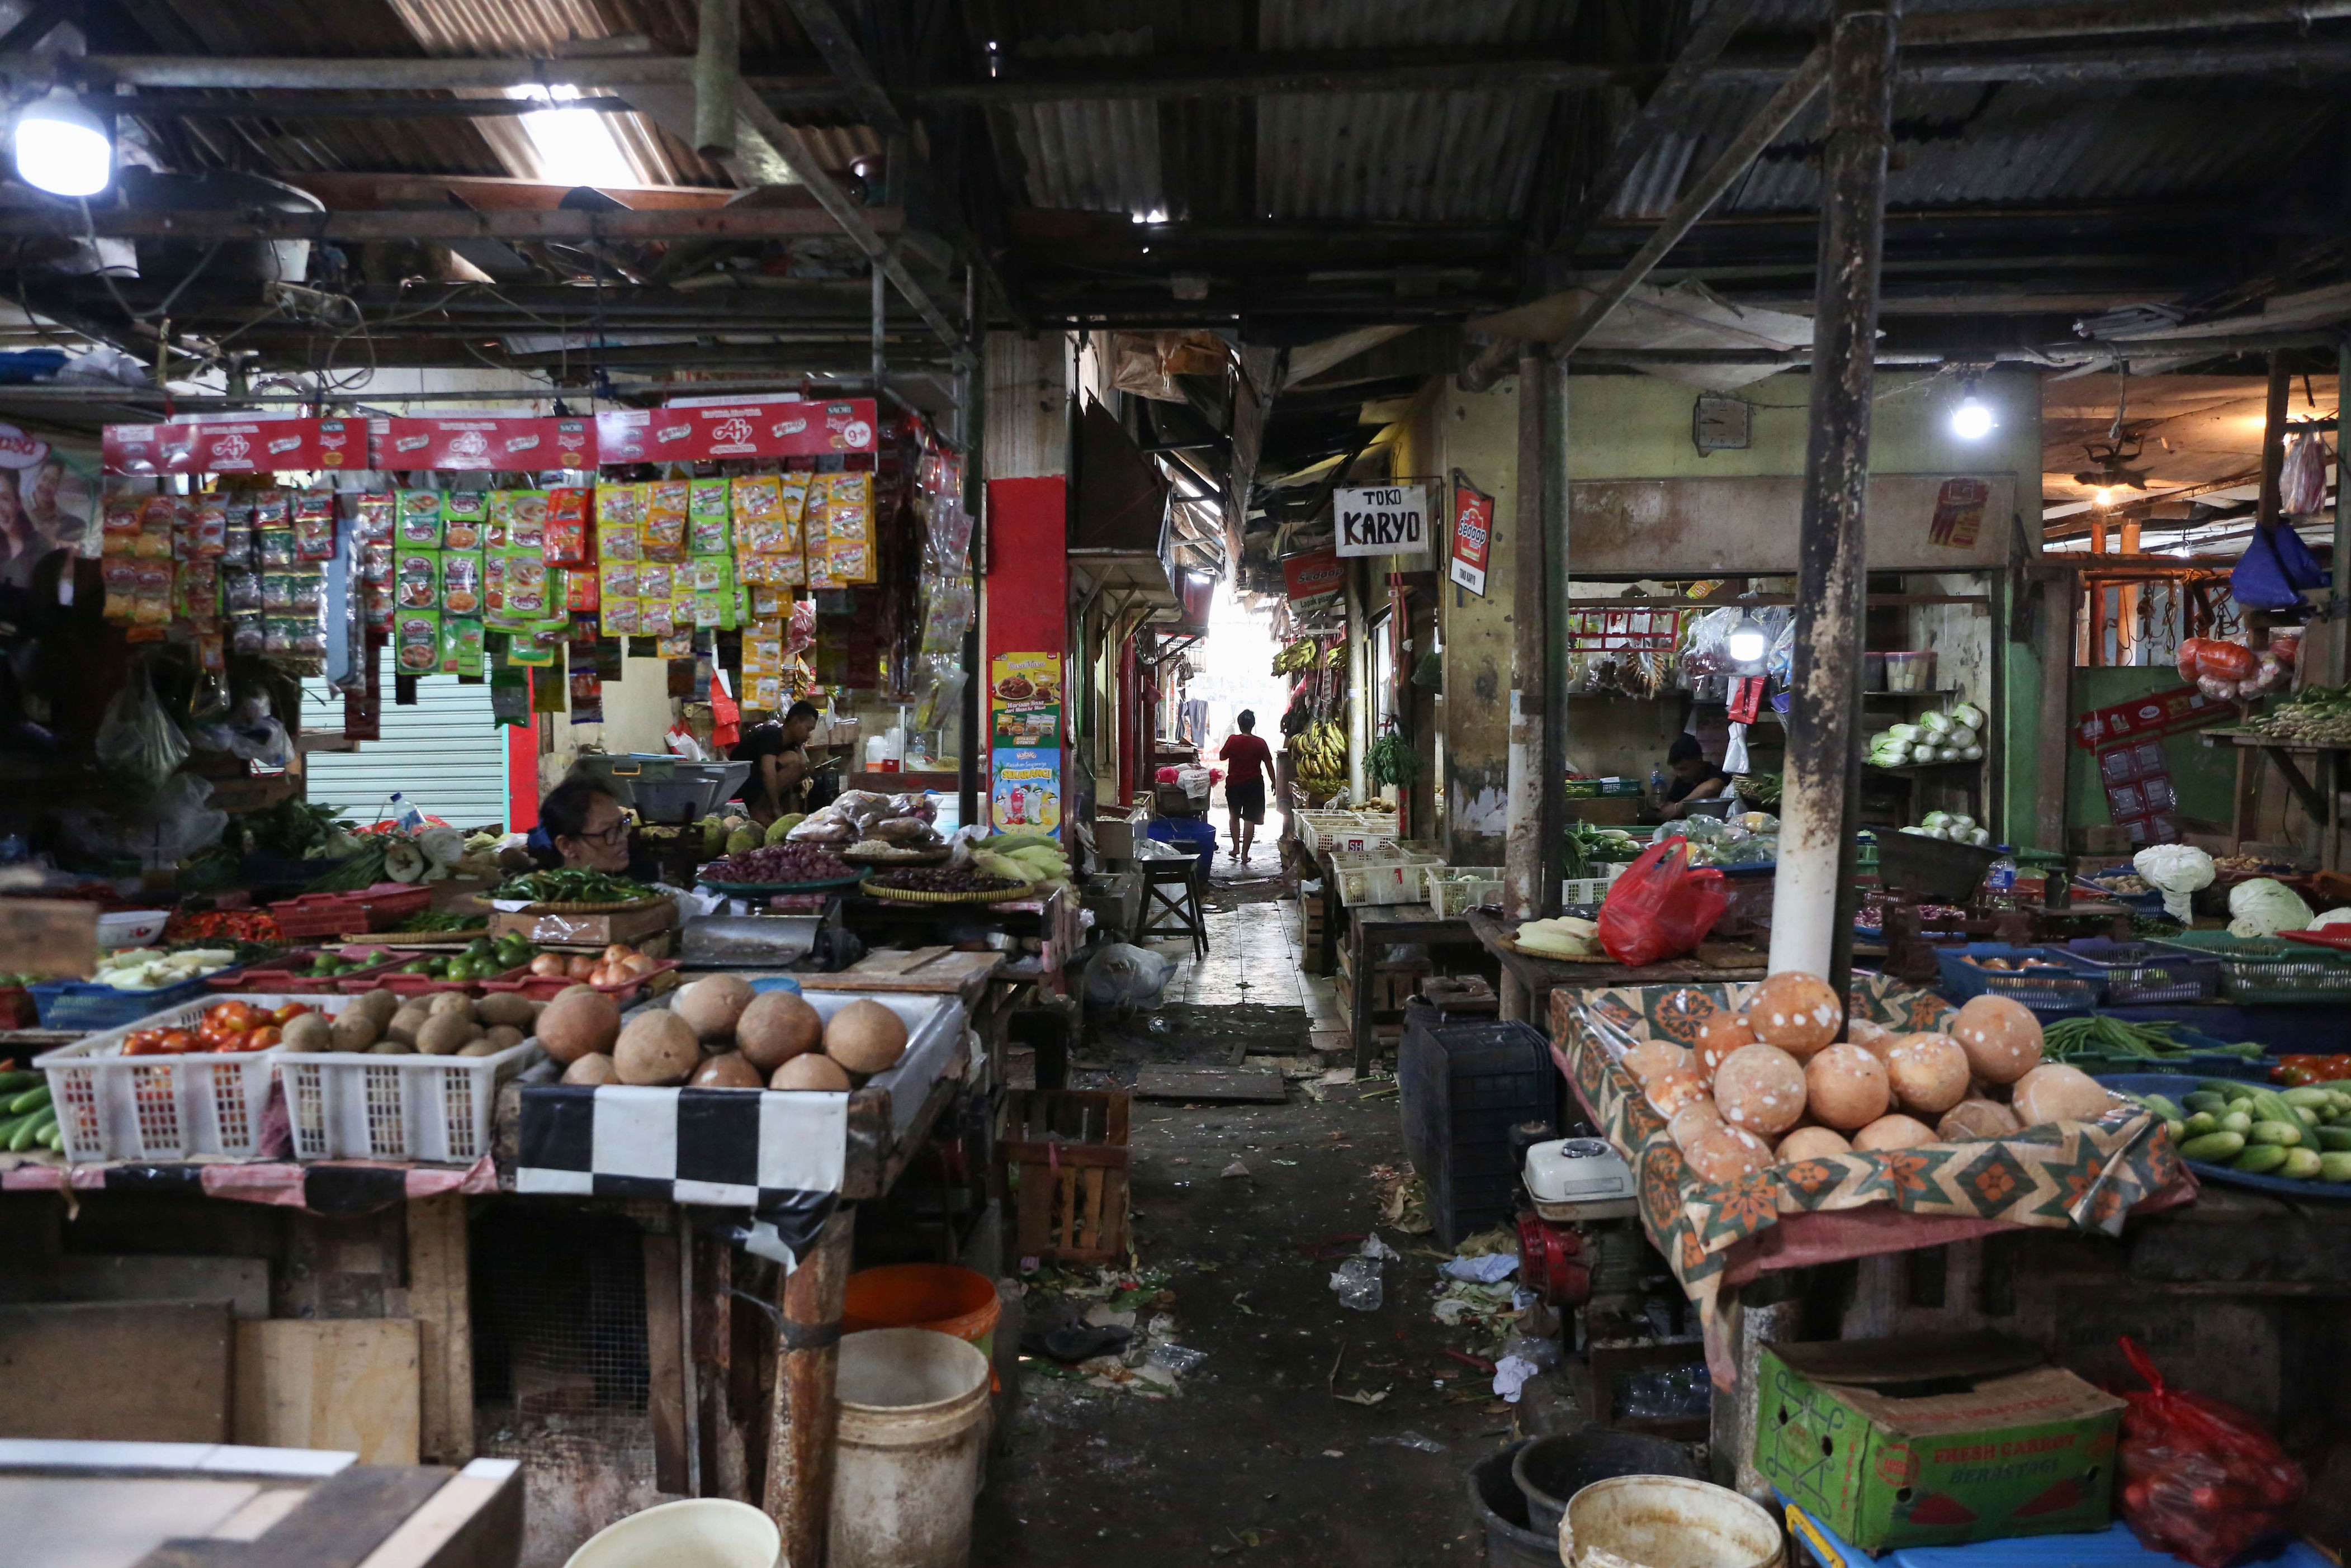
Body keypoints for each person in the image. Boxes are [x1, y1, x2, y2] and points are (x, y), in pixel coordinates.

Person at [523, 776, 660, 878]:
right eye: (609, 831)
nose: (622, 838)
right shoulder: (536, 893)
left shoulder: (643, 875)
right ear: (566, 846)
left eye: (622, 824)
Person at [732, 700, 821, 826]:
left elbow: (804, 767)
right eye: (808, 729)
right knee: (793, 760)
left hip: (754, 784)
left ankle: (766, 810)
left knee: (799, 762)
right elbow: (767, 771)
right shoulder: (772, 734)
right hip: (739, 785)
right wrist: (776, 808)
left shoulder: (791, 744)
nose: (808, 735)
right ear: (795, 721)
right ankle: (757, 810)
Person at [1218, 709, 1275, 864]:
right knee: (1250, 819)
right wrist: (1274, 782)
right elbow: (1269, 764)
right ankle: (1245, 854)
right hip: (1254, 785)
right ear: (1253, 725)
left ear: (1239, 724)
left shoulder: (1232, 740)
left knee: (1234, 816)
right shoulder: (1260, 742)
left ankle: (1236, 848)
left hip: (1234, 784)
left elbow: (1222, 756)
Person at [1655, 733, 1732, 822]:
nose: (1679, 774)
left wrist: (1678, 807)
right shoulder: (1682, 780)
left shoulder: (1717, 772)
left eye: (1683, 769)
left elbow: (1712, 787)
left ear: (1699, 762)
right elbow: (1671, 803)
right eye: (1676, 770)